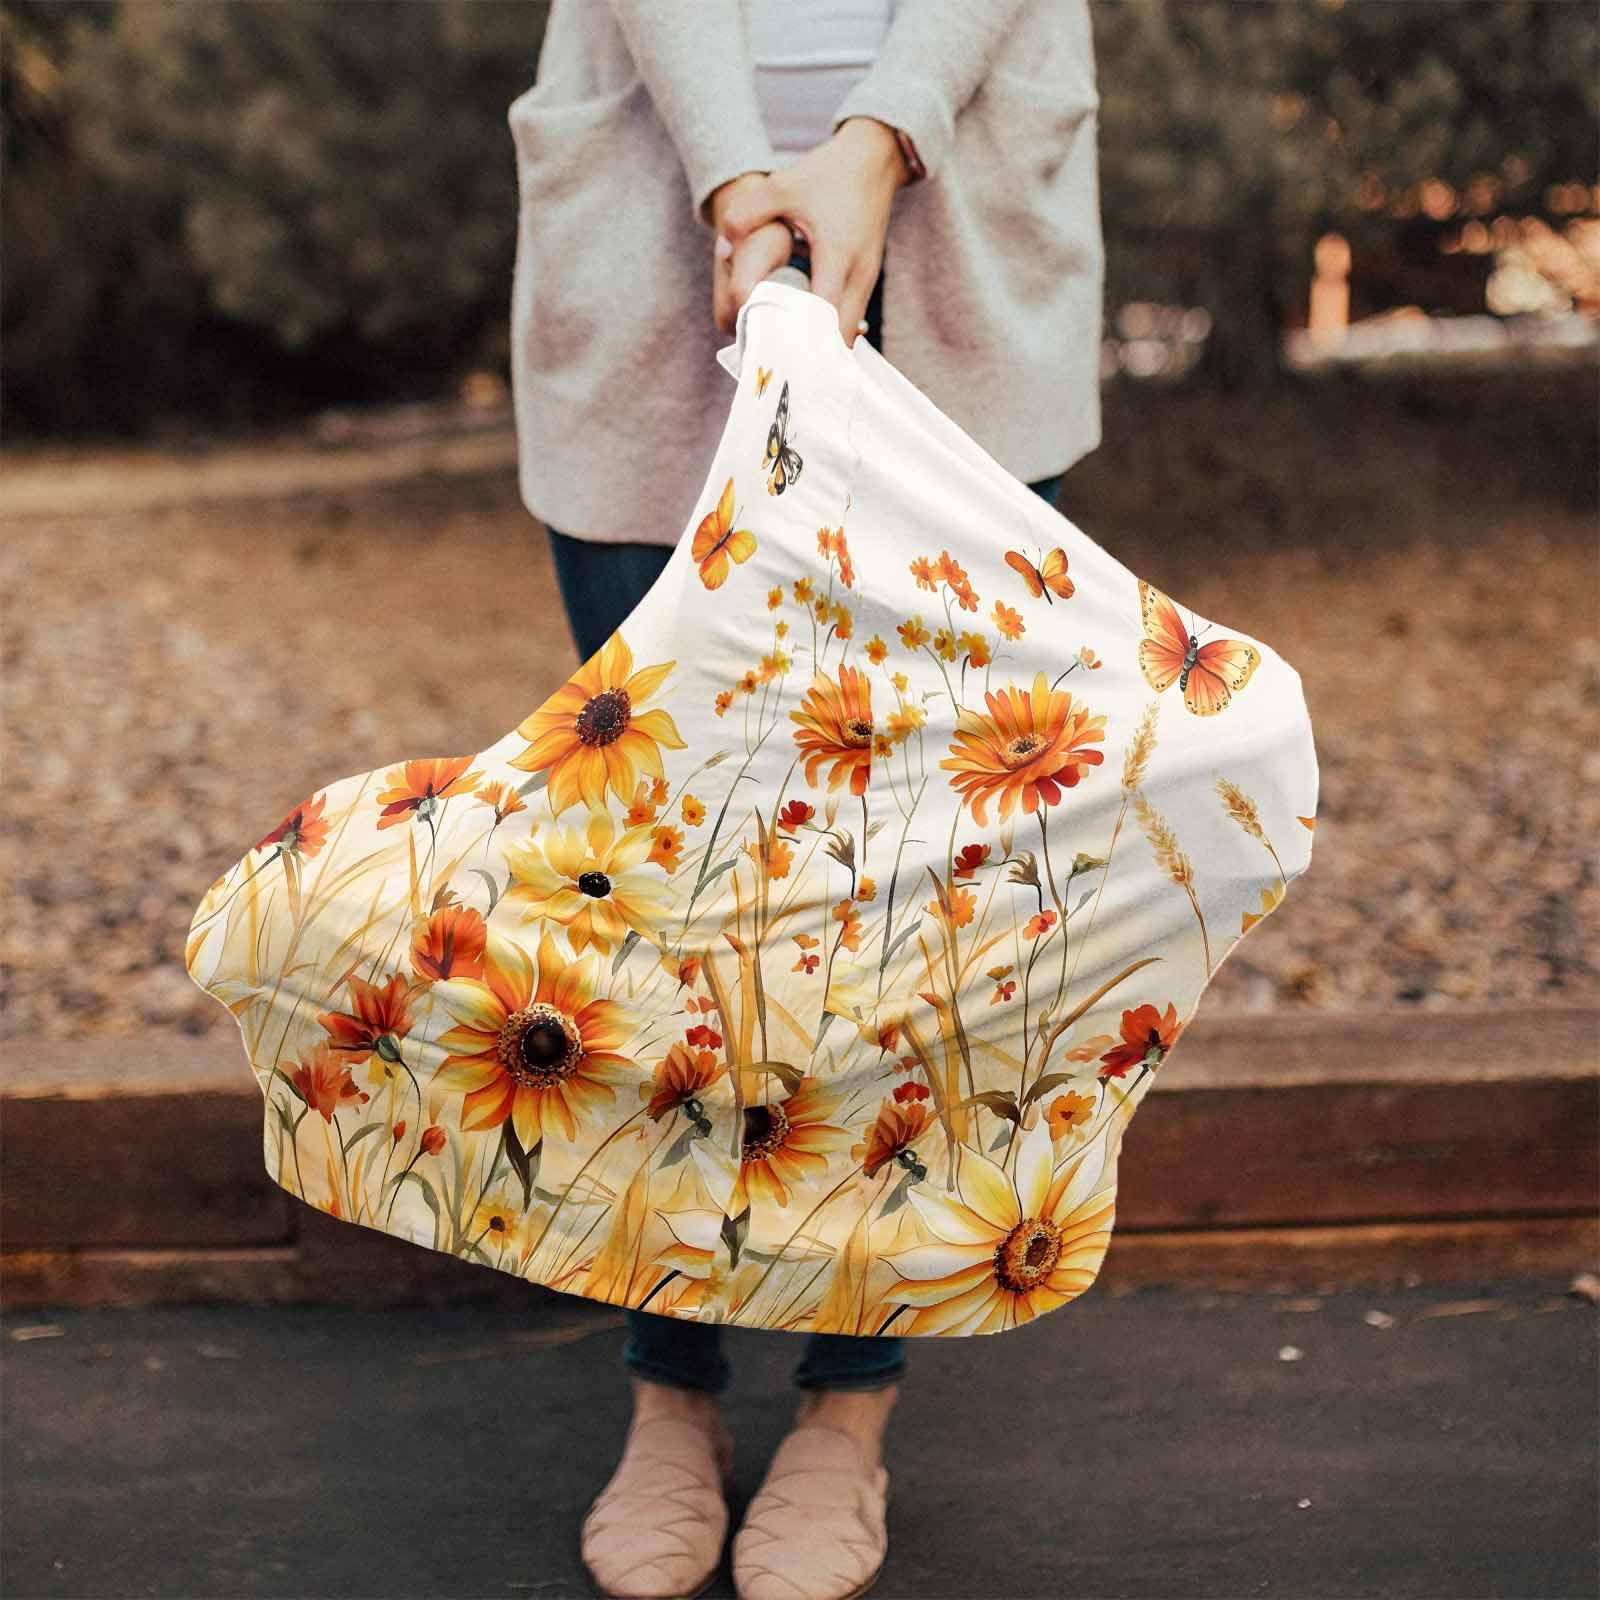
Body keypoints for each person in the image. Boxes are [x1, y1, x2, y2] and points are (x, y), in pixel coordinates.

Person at [505, 4, 1103, 1596]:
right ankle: (670, 1389)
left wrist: (876, 137)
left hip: (960, 222)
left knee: (904, 883)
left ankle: (848, 1406)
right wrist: (734, 177)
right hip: (657, 220)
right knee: (665, 874)